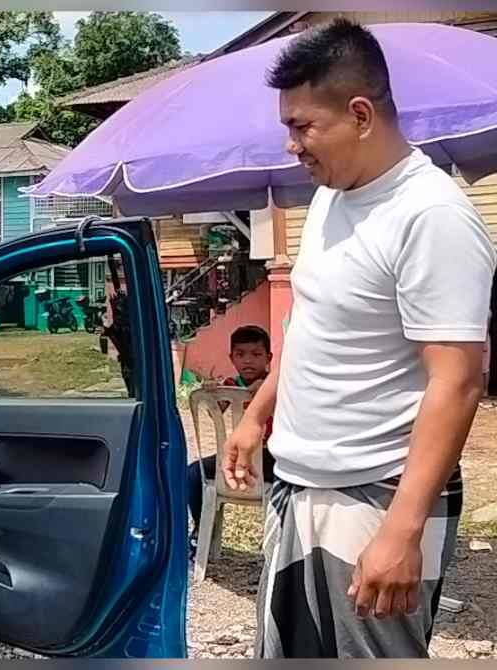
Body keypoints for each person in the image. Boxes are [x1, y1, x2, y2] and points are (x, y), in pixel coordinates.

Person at [221, 19, 496, 658]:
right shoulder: (331, 199)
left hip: (377, 493)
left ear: (362, 114)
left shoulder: (430, 217)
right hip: (299, 482)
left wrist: (402, 530)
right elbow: (312, 328)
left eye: (302, 126)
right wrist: (256, 416)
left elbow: (457, 381)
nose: (292, 145)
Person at [187, 325, 275, 556]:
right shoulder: (232, 384)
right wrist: (212, 391)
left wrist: (266, 389)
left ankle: (280, 542)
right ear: (232, 358)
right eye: (241, 354)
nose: (248, 361)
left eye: (256, 355)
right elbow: (215, 410)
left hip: (273, 455)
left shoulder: (276, 384)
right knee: (193, 474)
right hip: (238, 457)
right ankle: (202, 529)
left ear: (269, 358)